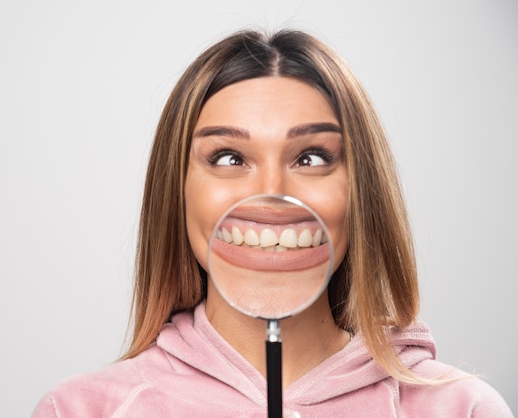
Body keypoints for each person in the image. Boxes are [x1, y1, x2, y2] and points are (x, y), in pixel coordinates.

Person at [32, 29, 512, 417]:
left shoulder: (460, 409)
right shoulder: (81, 410)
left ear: (362, 192)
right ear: (175, 192)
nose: (272, 194)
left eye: (310, 157)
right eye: (227, 157)